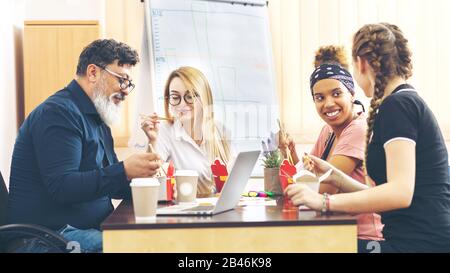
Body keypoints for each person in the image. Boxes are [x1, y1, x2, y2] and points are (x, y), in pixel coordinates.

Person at [285, 23, 450, 252]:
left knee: (309, 246)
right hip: (416, 241)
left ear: (361, 63)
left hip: (417, 244)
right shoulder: (401, 102)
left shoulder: (398, 106)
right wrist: (338, 178)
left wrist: (324, 202)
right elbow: (391, 194)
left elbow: (400, 193)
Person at [7, 39, 161, 252]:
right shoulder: (58, 113)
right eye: (122, 80)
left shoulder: (97, 118)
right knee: (138, 247)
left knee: (155, 238)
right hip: (47, 236)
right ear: (93, 73)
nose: (126, 91)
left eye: (129, 84)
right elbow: (63, 187)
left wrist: (143, 174)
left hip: (80, 230)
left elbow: (113, 184)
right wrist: (124, 170)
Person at [279, 45, 383, 243]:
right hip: (335, 228)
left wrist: (306, 180)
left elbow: (325, 190)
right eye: (320, 98)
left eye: (336, 94)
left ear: (352, 94)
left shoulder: (358, 129)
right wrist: (289, 152)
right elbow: (305, 174)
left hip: (363, 236)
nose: (328, 104)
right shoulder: (328, 130)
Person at [141, 66, 231, 197]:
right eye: (175, 97)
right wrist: (152, 140)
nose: (182, 104)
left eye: (190, 96)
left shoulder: (220, 130)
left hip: (216, 210)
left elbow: (232, 179)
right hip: (182, 210)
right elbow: (150, 182)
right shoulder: (164, 130)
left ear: (204, 97)